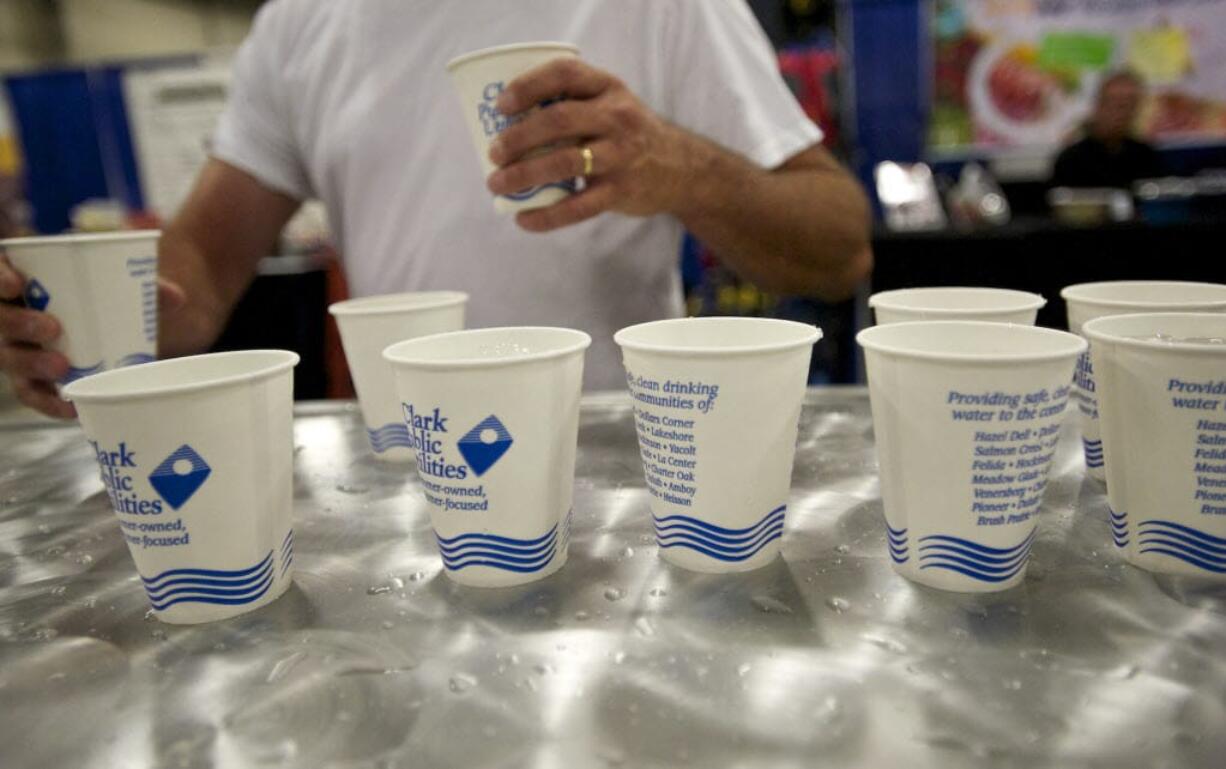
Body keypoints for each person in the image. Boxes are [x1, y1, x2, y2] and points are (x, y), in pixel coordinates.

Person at [1, 0, 871, 418]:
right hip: (405, 464)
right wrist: (83, 326)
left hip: (627, 464)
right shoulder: (303, 23)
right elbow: (201, 268)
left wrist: (679, 167)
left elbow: (839, 246)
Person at [1051, 70, 1161, 190]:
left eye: (1129, 104)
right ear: (1098, 105)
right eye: (1114, 102)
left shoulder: (1146, 157)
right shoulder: (1071, 161)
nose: (1120, 112)